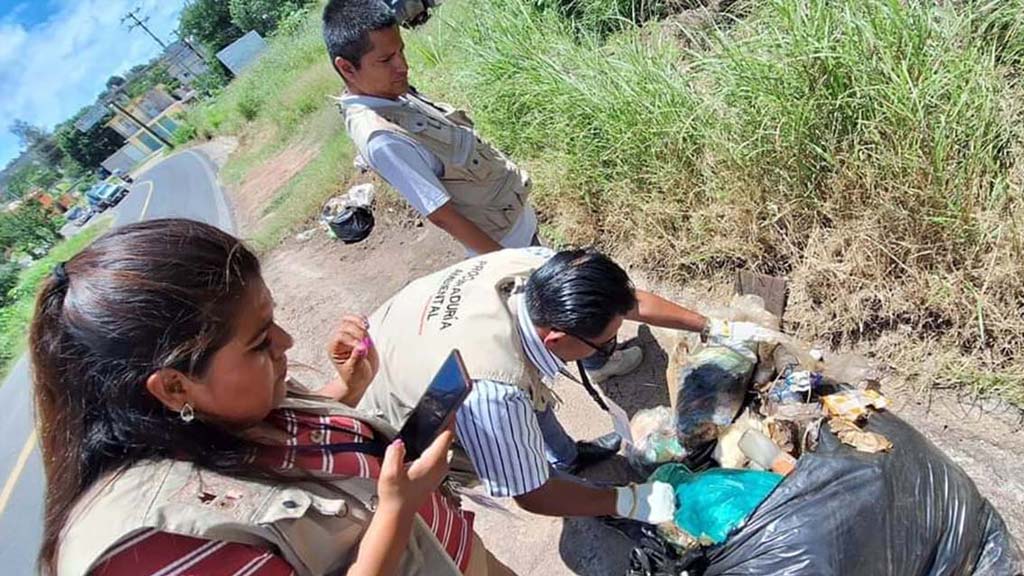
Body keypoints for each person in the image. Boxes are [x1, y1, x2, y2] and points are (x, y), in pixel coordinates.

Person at [31, 219, 513, 576]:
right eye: (260, 341)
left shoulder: (211, 411)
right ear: (175, 386)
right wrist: (397, 508)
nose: (286, 343)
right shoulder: (152, 548)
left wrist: (345, 390)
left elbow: (278, 455)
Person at [334, 247, 752, 520]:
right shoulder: (493, 391)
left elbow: (628, 301)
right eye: (604, 344)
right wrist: (628, 502)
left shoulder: (541, 270)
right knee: (464, 476)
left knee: (531, 397)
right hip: (387, 409)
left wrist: (711, 326)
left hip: (414, 336)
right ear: (556, 338)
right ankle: (574, 481)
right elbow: (529, 493)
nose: (609, 349)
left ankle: (567, 459)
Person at [323, 0, 539, 256]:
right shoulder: (381, 138)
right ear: (347, 68)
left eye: (401, 51)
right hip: (508, 246)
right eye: (386, 60)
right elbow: (443, 216)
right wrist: (510, 263)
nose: (403, 66)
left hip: (519, 222)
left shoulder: (391, 96)